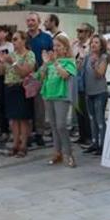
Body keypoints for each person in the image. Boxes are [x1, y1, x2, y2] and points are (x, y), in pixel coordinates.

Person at [37, 34, 77, 167]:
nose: (55, 48)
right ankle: (57, 153)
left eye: (59, 46)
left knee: (61, 125)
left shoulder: (69, 61)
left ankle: (68, 153)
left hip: (62, 96)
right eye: (54, 46)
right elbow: (40, 76)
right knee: (53, 126)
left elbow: (65, 75)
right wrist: (45, 63)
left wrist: (55, 62)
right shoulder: (50, 62)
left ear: (65, 48)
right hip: (49, 95)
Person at [0, 30, 36, 158]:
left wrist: (13, 62)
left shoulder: (29, 54)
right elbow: (1, 72)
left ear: (23, 40)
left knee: (23, 118)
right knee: (14, 118)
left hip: (22, 88)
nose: (13, 42)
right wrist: (1, 62)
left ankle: (23, 145)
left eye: (16, 39)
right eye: (13, 39)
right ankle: (15, 143)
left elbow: (24, 72)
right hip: (10, 87)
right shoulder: (11, 54)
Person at [26, 12, 53, 147]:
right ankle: (28, 133)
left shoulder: (47, 38)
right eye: (28, 20)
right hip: (26, 76)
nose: (30, 23)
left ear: (39, 22)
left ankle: (39, 133)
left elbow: (51, 55)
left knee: (40, 106)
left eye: (33, 20)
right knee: (27, 106)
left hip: (41, 76)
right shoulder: (24, 37)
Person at [84, 34, 110, 155]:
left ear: (101, 45)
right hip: (88, 91)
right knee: (91, 119)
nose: (93, 45)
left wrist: (95, 65)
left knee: (100, 120)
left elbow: (100, 74)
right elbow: (81, 71)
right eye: (92, 43)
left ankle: (103, 144)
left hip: (100, 91)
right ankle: (94, 143)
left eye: (96, 42)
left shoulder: (103, 57)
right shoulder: (87, 57)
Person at [72, 23, 94, 146]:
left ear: (88, 33)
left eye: (81, 31)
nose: (79, 34)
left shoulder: (90, 46)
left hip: (87, 80)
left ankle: (89, 136)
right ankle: (82, 134)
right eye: (78, 31)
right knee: (78, 109)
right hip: (76, 80)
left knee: (86, 110)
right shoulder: (75, 45)